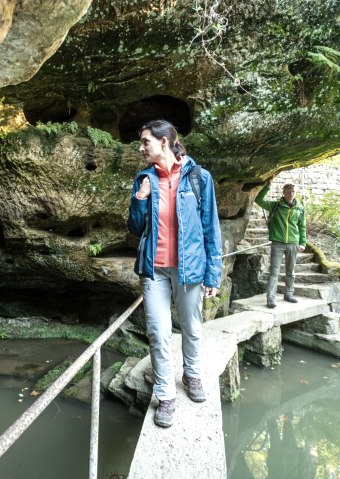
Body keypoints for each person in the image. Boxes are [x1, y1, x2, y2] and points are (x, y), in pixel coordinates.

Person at [126, 119, 222, 428]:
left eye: (145, 142)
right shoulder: (144, 179)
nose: (141, 148)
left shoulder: (198, 178)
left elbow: (211, 229)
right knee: (157, 331)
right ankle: (165, 394)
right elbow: (135, 228)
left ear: (164, 142)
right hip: (154, 270)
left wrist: (213, 274)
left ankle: (192, 375)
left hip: (190, 268)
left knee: (192, 328)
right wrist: (140, 199)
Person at [255, 180, 306, 308]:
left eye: (293, 191)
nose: (291, 193)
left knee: (291, 271)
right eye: (288, 191)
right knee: (274, 272)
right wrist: (267, 187)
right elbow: (258, 200)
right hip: (278, 242)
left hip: (293, 243)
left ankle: (289, 294)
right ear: (283, 193)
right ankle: (270, 299)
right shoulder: (275, 205)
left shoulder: (299, 208)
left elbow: (302, 227)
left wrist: (302, 243)